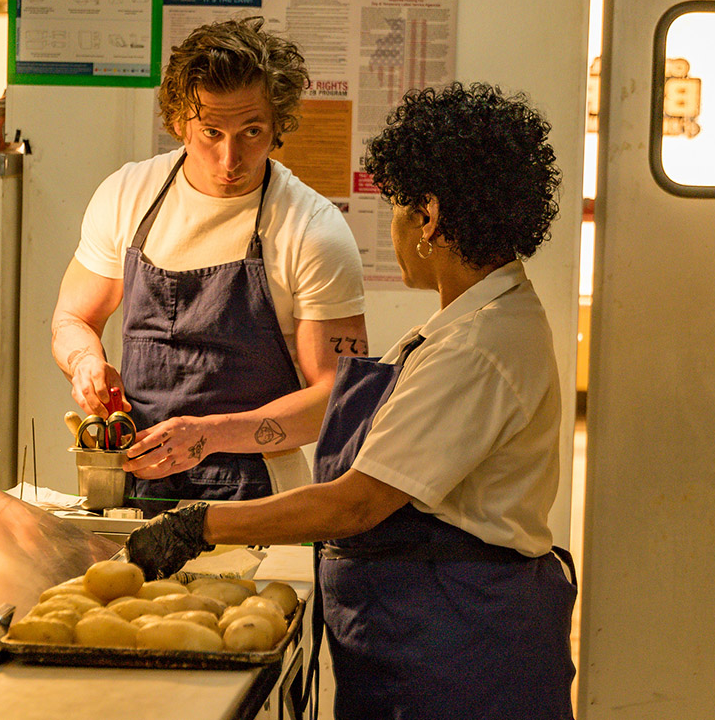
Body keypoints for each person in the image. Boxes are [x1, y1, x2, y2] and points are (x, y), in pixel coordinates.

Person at [126, 82, 577, 719]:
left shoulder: (476, 347)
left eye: (395, 207)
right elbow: (354, 437)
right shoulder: (471, 321)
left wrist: (200, 525)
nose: (390, 227)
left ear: (430, 216)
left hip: (457, 646)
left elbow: (357, 502)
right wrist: (211, 445)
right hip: (425, 634)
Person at [51, 17, 367, 511]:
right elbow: (73, 320)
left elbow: (336, 395)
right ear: (179, 122)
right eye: (211, 132)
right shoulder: (127, 196)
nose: (229, 158)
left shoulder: (312, 229)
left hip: (259, 495)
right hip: (134, 481)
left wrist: (212, 434)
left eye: (252, 131)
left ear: (279, 123)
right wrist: (84, 362)